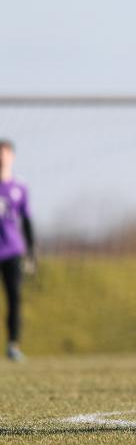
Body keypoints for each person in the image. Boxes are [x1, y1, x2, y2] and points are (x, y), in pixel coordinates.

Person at [0, 140, 36, 362]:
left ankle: (13, 344)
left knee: (14, 298)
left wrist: (31, 252)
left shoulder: (20, 187)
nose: (1, 157)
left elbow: (28, 221)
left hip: (12, 250)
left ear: (12, 156)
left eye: (5, 153)